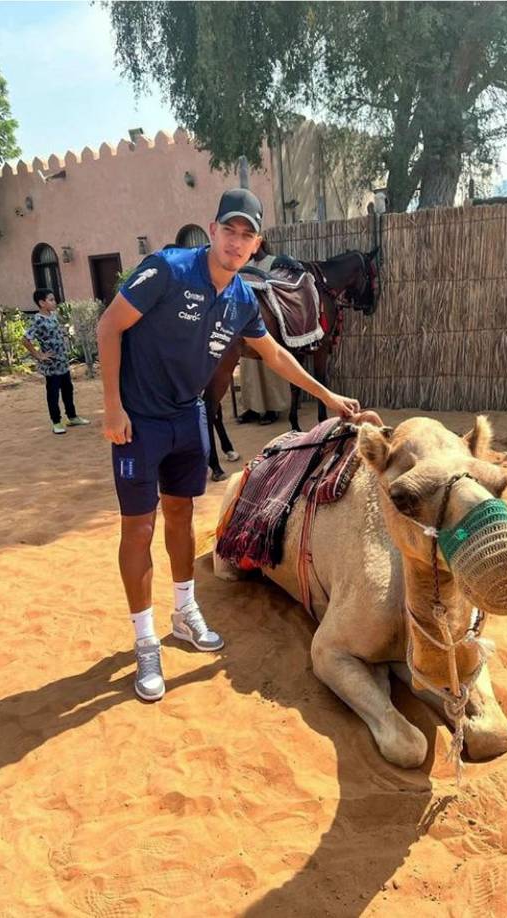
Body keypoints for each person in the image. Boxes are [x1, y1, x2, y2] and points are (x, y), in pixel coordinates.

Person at [97, 188, 360, 702]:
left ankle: (184, 612)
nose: (236, 242)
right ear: (212, 229)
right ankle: (146, 642)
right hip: (139, 422)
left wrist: (328, 396)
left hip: (187, 417)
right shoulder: (168, 270)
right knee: (139, 527)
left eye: (247, 235)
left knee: (181, 517)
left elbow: (277, 356)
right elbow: (109, 325)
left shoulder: (241, 298)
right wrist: (112, 406)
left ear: (256, 243)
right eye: (229, 230)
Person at [236, 241, 290, 426]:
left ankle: (272, 409)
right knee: (249, 369)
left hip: (269, 324)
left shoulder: (274, 263)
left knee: (270, 366)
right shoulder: (245, 266)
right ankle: (253, 408)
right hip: (247, 322)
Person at [22, 289, 90, 434]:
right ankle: (57, 422)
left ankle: (72, 417)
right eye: (51, 300)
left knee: (67, 390)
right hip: (51, 365)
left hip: (63, 363)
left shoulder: (53, 316)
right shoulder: (37, 320)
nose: (55, 302)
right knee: (53, 393)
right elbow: (25, 340)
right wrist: (39, 355)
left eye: (54, 299)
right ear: (41, 303)